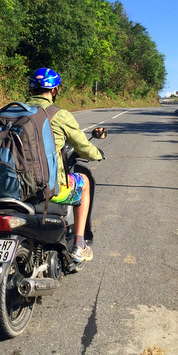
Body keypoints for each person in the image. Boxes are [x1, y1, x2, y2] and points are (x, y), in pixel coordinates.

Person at [26, 68, 104, 263]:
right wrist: (97, 154)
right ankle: (79, 243)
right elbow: (82, 146)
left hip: (13, 187)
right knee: (84, 181)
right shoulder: (58, 115)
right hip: (49, 188)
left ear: (31, 89)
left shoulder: (12, 111)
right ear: (54, 91)